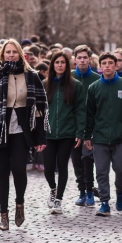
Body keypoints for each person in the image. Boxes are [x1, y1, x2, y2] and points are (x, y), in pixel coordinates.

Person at [0, 39, 48, 231]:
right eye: (7, 52)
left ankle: (19, 204)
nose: (10, 55)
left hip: (22, 130)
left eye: (14, 52)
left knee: (18, 169)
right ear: (2, 54)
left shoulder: (31, 76)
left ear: (20, 54)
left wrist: (41, 137)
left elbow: (40, 109)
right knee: (2, 172)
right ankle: (3, 215)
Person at [84, 52, 122, 217]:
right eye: (104, 63)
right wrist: (87, 136)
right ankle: (105, 202)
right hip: (99, 138)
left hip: (120, 138)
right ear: (100, 67)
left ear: (116, 65)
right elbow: (89, 114)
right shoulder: (94, 88)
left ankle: (120, 192)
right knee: (101, 171)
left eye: (110, 63)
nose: (107, 66)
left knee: (121, 170)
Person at [42, 51, 85, 214]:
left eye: (62, 62)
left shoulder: (75, 86)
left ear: (67, 65)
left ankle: (58, 200)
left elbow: (81, 110)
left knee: (62, 166)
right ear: (52, 65)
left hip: (68, 133)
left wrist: (80, 132)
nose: (59, 65)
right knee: (48, 169)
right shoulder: (45, 84)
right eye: (57, 62)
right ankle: (53, 189)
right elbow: (39, 111)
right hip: (48, 133)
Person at [71, 45, 99, 206]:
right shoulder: (70, 77)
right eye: (79, 58)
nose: (82, 60)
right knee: (76, 160)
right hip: (73, 126)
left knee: (87, 158)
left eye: (84, 58)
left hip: (91, 126)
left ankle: (90, 190)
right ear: (75, 59)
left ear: (89, 59)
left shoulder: (96, 78)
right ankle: (81, 191)